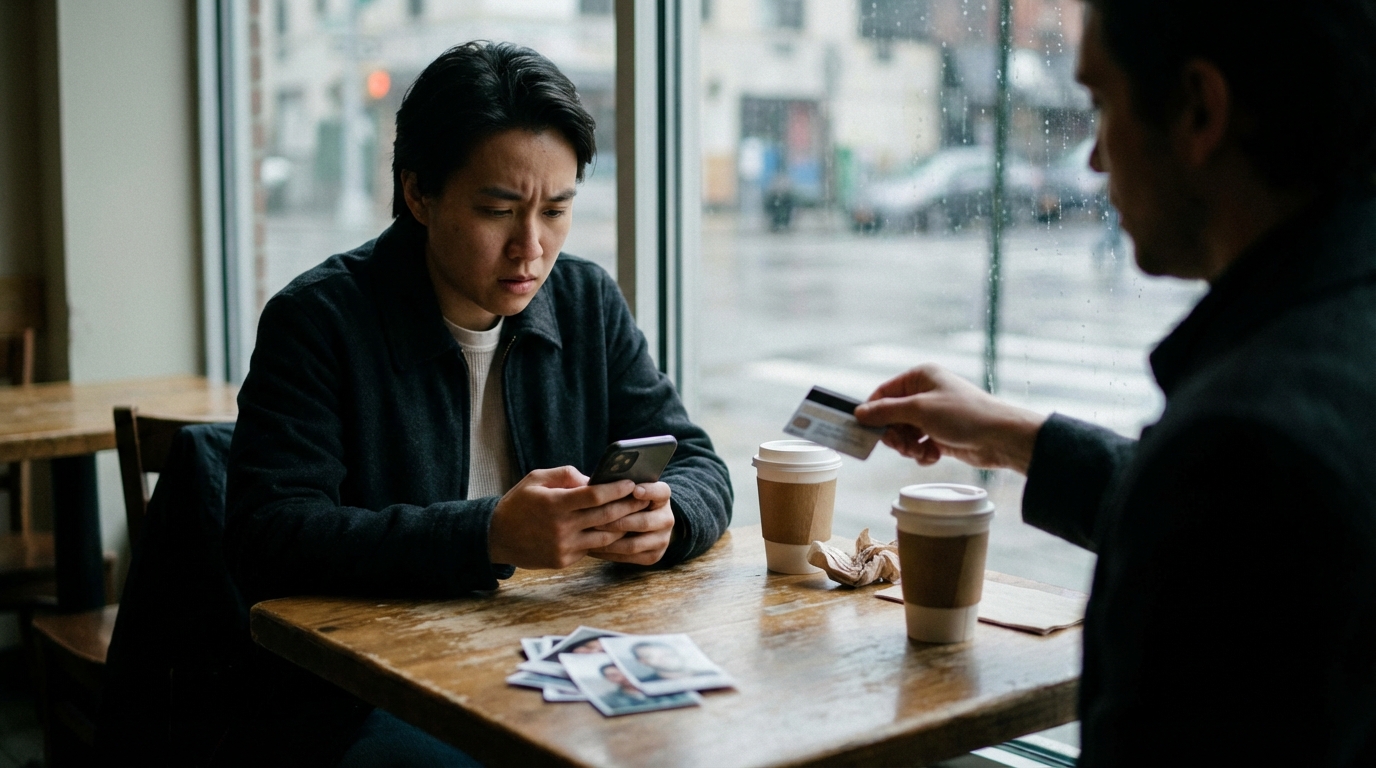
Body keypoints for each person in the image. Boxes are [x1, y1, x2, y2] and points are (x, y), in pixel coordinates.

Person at [854, 1, 1376, 765]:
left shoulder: (1242, 443)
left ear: (1198, 110)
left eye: (1101, 104)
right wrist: (1019, 438)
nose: (1095, 160)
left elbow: (1220, 506)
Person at [224, 41, 733, 764]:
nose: (531, 248)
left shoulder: (585, 301)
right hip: (369, 690)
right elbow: (269, 537)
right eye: (498, 210)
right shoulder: (319, 321)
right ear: (418, 194)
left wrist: (668, 519)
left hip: (545, 659)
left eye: (556, 210)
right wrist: (487, 535)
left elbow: (699, 462)